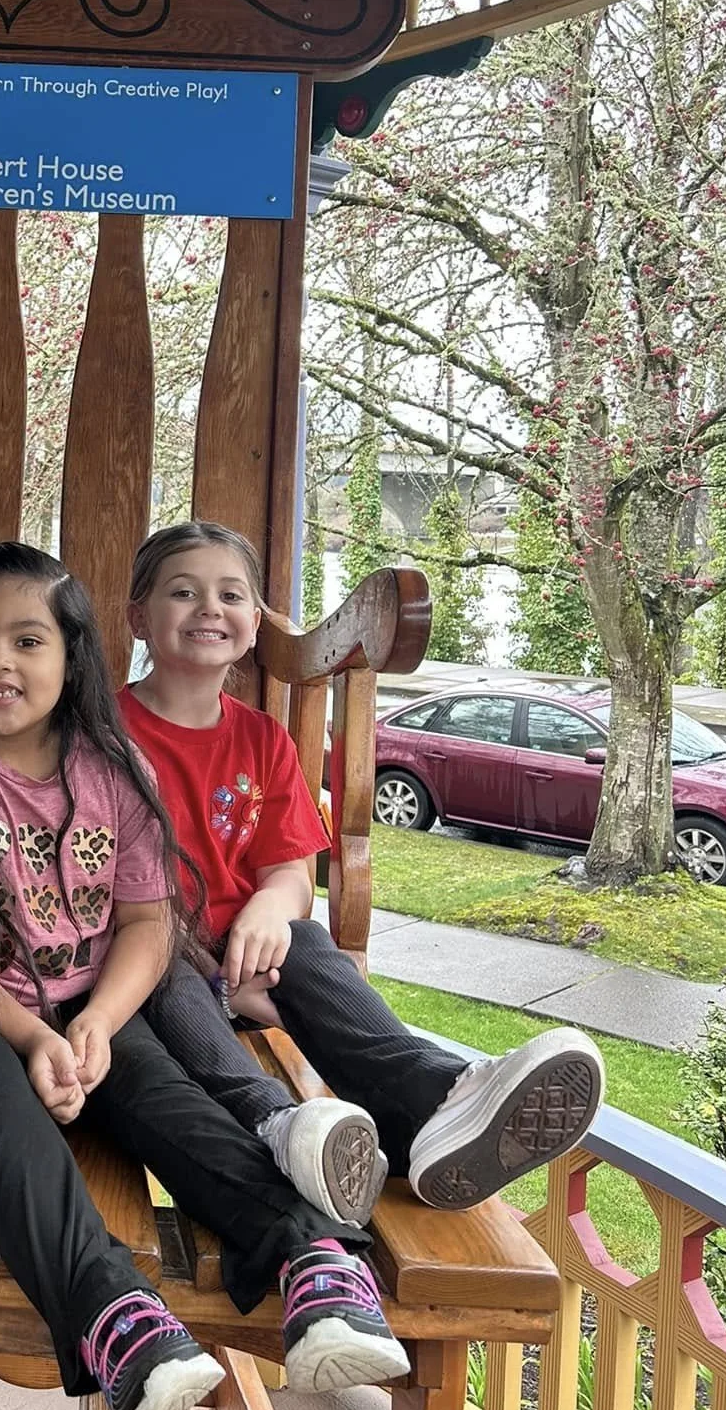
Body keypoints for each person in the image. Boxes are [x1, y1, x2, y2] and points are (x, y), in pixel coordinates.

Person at [0, 541, 413, 1410]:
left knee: (169, 1101)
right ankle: (115, 1315)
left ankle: (312, 1258)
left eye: (27, 641)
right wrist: (27, 1036)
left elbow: (145, 925)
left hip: (98, 1000)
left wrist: (93, 1022)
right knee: (1, 1127)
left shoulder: (113, 772)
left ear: (74, 654)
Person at [120, 519, 604, 1227]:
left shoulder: (263, 740)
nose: (209, 610)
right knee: (163, 962)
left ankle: (442, 1100)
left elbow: (288, 869)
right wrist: (221, 982)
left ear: (254, 623)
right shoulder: (104, 732)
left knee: (307, 943)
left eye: (231, 595)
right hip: (151, 956)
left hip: (250, 954)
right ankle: (287, 1131)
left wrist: (265, 911)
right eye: (183, 592)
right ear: (138, 617)